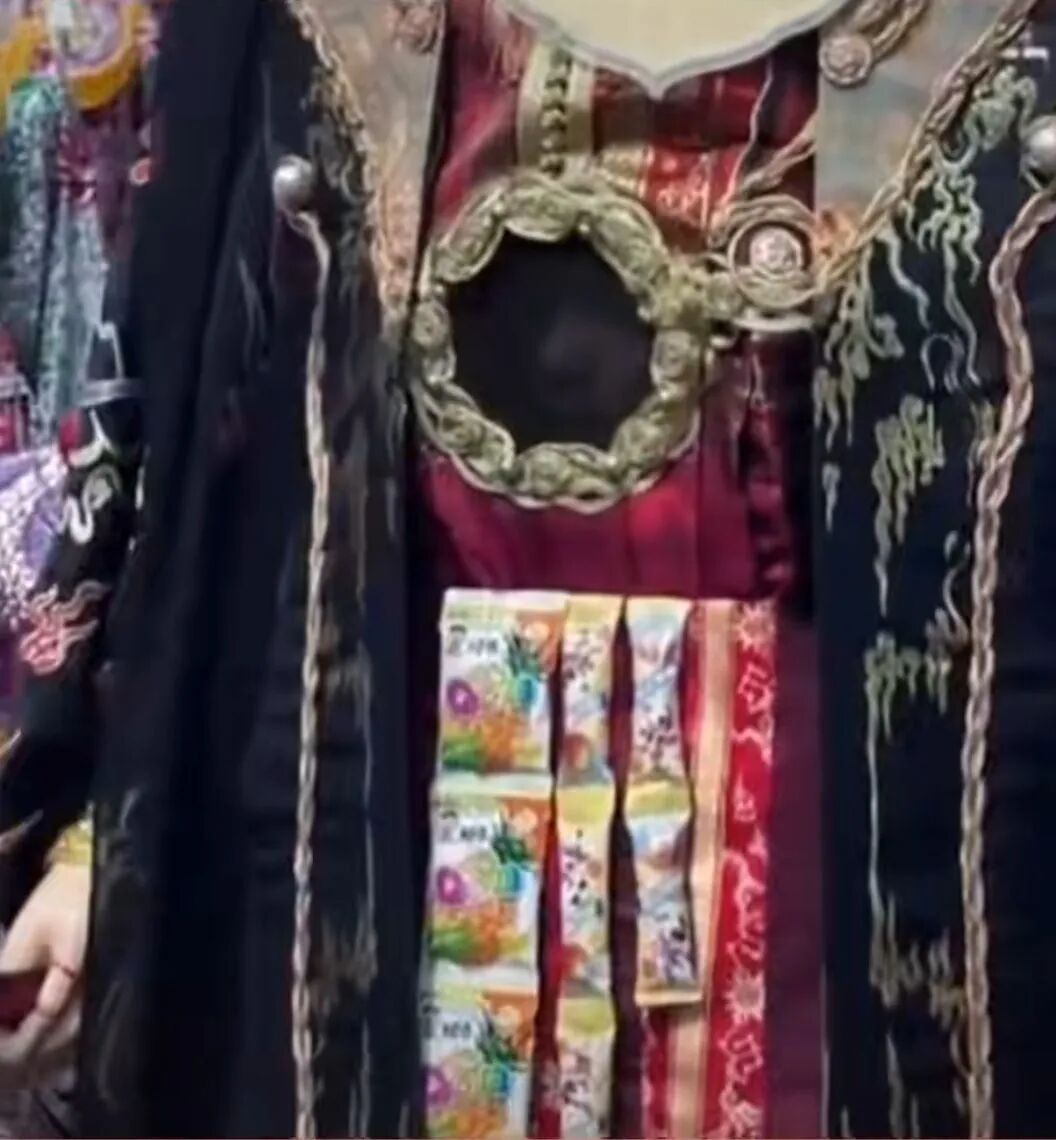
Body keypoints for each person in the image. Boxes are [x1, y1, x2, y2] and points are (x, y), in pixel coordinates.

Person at [1, 1, 1055, 1137]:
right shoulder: (296, 24)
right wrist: (103, 838)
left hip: (864, 845)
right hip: (402, 816)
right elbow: (204, 433)